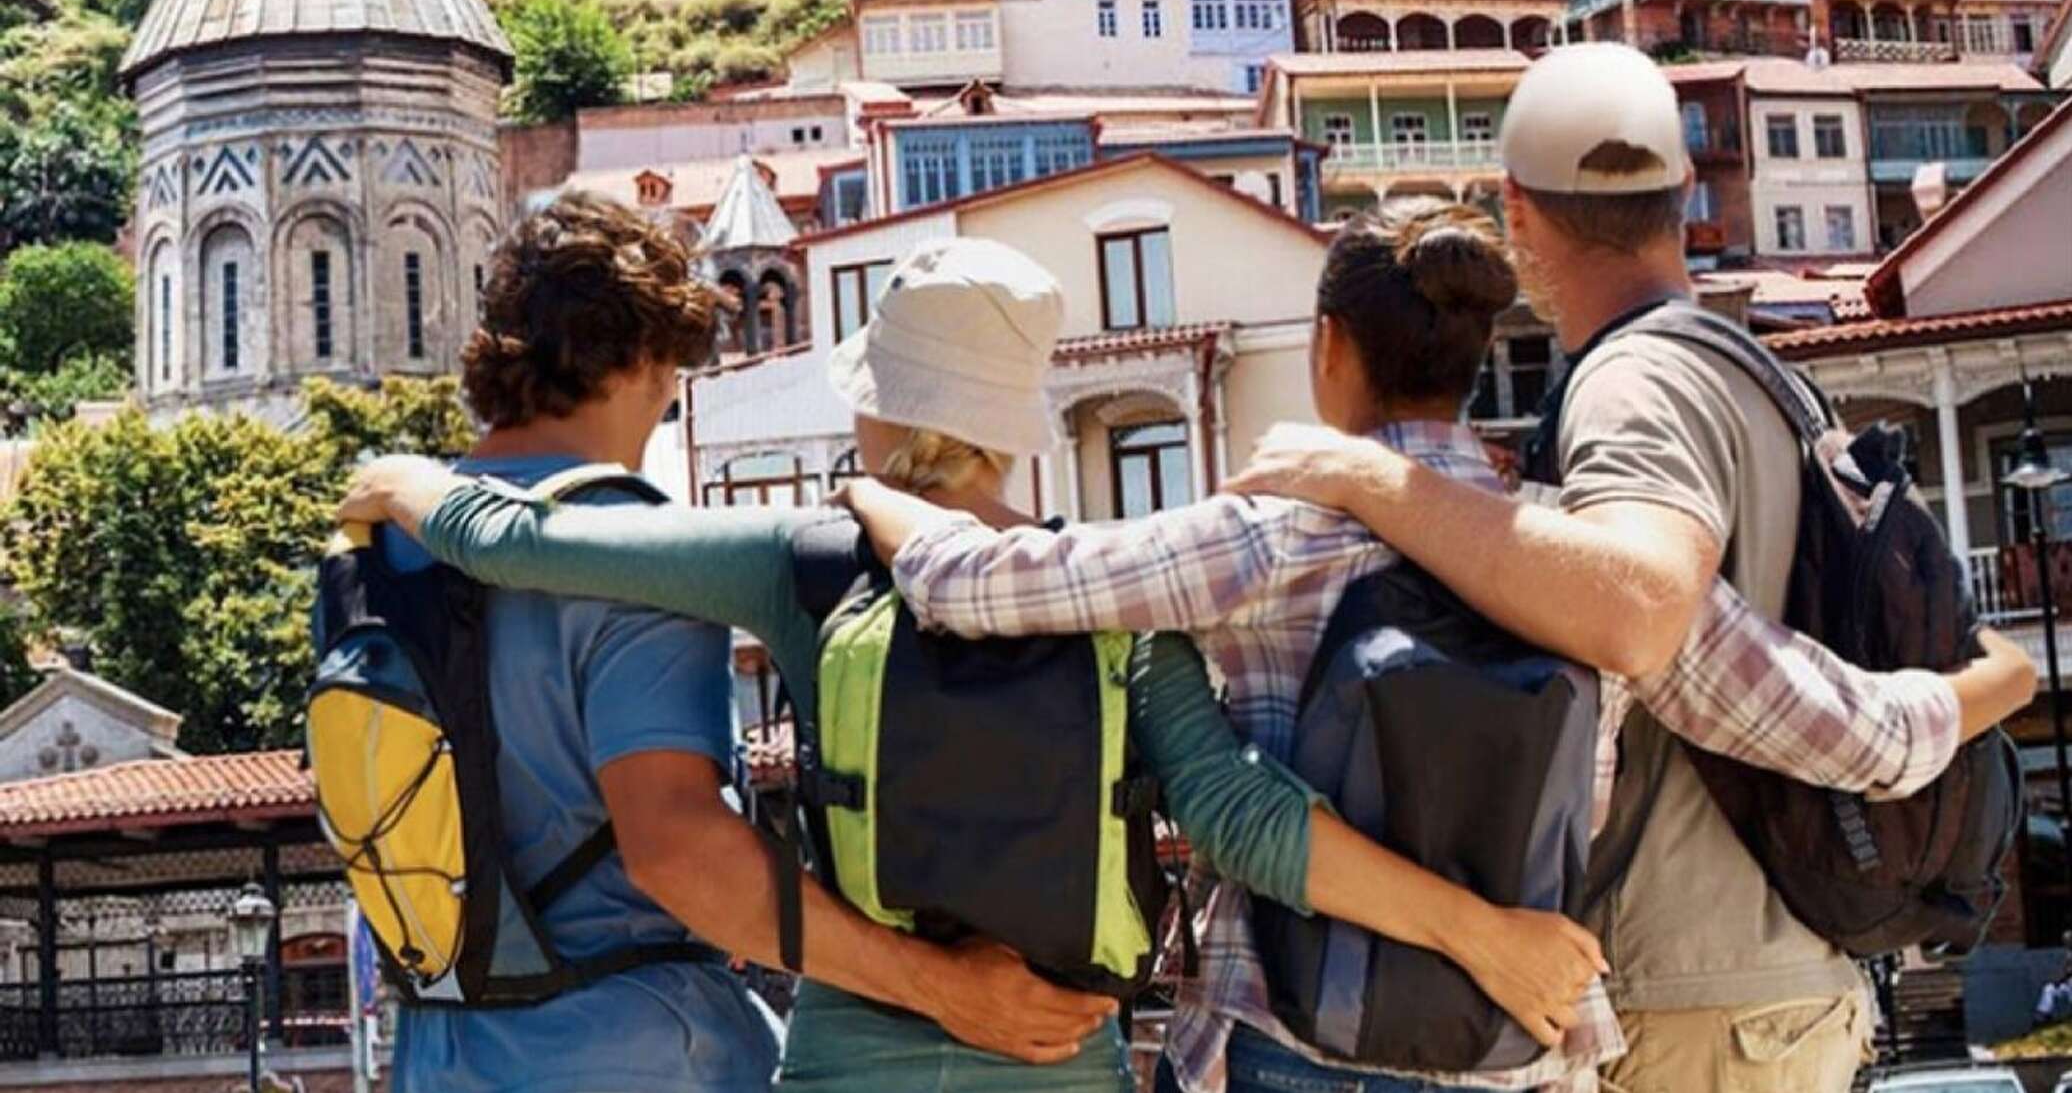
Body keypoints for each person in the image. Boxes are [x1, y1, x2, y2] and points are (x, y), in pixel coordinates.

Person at [337, 236, 1607, 1093]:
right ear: (1012, 424)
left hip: (851, 1056)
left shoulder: (799, 559)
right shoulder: (1100, 591)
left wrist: (407, 485)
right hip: (1064, 1052)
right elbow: (1237, 816)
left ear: (878, 403)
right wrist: (1478, 931)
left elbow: (528, 542)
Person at [831, 201, 2034, 1093]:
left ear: (1328, 347)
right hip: (1508, 1053)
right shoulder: (1577, 567)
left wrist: (868, 494)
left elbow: (964, 584)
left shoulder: (1263, 535)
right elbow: (1862, 739)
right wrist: (1997, 677)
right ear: (1471, 361)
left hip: (1287, 1044)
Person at [1210, 44, 2039, 1092]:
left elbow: (1639, 612)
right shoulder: (1752, 373)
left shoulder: (1629, 385)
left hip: (1686, 995)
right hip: (1775, 982)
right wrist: (1990, 682)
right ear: (1686, 186)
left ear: (1515, 210)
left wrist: (1371, 480)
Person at [374, 198, 1119, 1093]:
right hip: (639, 1051)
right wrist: (943, 988)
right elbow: (677, 850)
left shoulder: (373, 550)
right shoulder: (639, 553)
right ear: (649, 359)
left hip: (435, 1053)